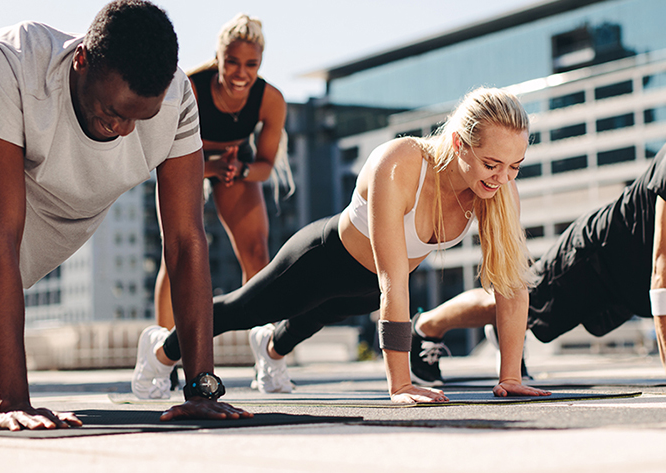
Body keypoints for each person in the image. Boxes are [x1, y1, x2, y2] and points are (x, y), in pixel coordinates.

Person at [132, 87, 551, 402]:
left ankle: (270, 348)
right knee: (245, 309)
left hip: (368, 291)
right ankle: (160, 351)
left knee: (311, 321)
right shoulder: (401, 163)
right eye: (491, 164)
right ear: (459, 142)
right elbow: (394, 279)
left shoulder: (498, 192)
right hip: (323, 260)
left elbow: (511, 286)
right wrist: (400, 384)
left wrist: (510, 377)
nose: (501, 178)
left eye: (514, 166)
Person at [410, 98, 666, 386]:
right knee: (523, 303)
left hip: (641, 286)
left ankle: (503, 332)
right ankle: (427, 327)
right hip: (598, 257)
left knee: (528, 318)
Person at [0, 0, 250, 431]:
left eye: (138, 117)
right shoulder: (13, 66)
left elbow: (186, 241)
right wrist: (15, 400)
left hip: (23, 253)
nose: (125, 130)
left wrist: (202, 389)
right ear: (82, 60)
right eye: (113, 112)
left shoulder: (176, 99)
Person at [152, 13, 292, 391]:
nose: (240, 72)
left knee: (258, 253)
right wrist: (211, 164)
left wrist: (238, 171)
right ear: (218, 57)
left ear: (260, 63)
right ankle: (162, 359)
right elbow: (162, 153)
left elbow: (264, 166)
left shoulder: (270, 100)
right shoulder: (190, 89)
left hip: (235, 165)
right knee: (177, 254)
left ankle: (267, 357)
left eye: (251, 64)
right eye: (231, 61)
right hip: (185, 160)